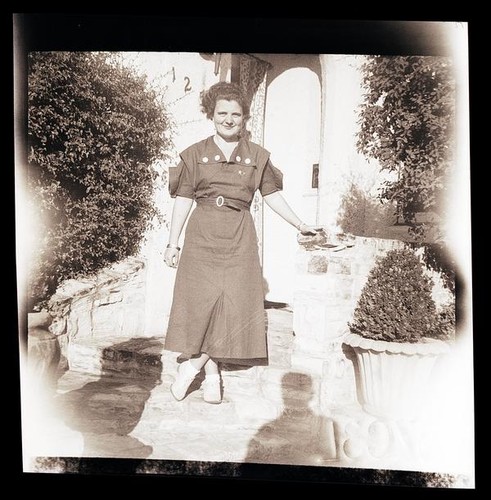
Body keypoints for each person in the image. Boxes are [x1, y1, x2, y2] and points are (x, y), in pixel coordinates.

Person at [163, 82, 320, 404]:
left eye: (236, 114)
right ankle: (212, 375)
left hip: (239, 235)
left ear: (245, 117)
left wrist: (301, 224)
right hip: (202, 234)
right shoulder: (194, 154)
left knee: (232, 305)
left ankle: (192, 366)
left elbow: (273, 195)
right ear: (211, 114)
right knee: (201, 303)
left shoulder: (257, 157)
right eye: (222, 113)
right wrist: (172, 243)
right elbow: (182, 199)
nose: (229, 119)